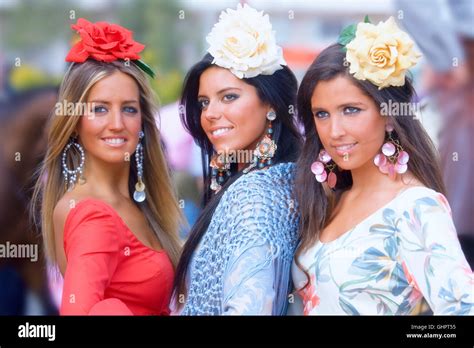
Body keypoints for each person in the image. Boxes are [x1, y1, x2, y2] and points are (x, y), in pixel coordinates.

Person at [292, 17, 473, 315]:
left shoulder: (416, 207)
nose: (334, 130)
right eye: (321, 114)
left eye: (351, 110)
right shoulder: (330, 199)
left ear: (389, 115)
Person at [31, 18, 182, 315]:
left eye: (128, 109)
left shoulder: (134, 202)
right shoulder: (92, 214)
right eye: (99, 109)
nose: (116, 124)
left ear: (142, 121)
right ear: (74, 123)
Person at [173, 4, 302, 315]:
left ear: (270, 103)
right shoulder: (288, 179)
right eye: (204, 102)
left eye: (229, 96)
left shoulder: (255, 195)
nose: (210, 114)